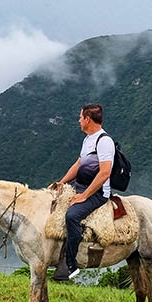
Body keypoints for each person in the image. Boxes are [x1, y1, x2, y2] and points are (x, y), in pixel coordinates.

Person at [52, 103, 114, 281]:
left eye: (81, 117)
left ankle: (70, 265)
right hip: (80, 187)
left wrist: (84, 196)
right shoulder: (88, 139)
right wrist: (61, 182)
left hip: (97, 193)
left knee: (72, 216)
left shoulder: (104, 141)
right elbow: (78, 164)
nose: (79, 120)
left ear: (88, 119)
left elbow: (105, 173)